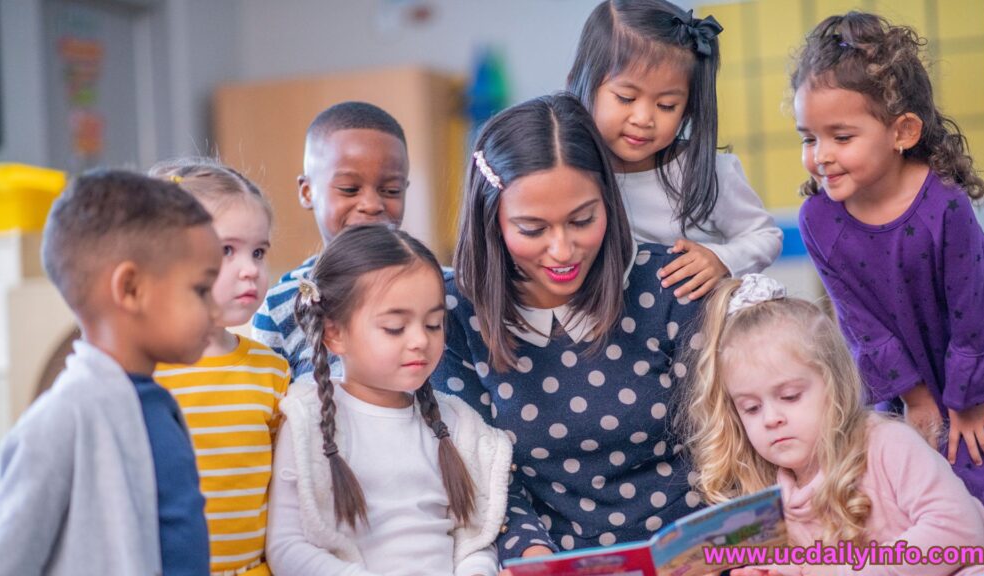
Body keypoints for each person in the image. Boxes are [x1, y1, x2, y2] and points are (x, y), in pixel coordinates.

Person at [431, 93, 703, 562]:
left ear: (609, 203)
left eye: (582, 220)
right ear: (491, 220)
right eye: (533, 229)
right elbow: (482, 467)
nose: (562, 251)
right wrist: (533, 552)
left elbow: (720, 442)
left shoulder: (669, 283)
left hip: (693, 550)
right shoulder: (451, 312)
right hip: (551, 560)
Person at [793, 11, 984, 525]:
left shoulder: (944, 206)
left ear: (902, 131)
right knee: (907, 481)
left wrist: (970, 398)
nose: (821, 156)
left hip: (973, 362)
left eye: (842, 137)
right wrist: (915, 398)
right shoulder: (819, 221)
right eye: (809, 138)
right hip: (901, 378)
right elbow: (861, 324)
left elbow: (976, 307)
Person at [685, 274, 984, 575]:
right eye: (752, 408)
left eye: (789, 397)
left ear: (835, 388)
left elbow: (960, 533)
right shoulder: (773, 492)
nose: (772, 418)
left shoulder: (887, 443)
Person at [0, 170, 219, 575]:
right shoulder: (62, 418)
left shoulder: (154, 401)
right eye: (201, 290)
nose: (215, 311)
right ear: (131, 289)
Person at [266, 225, 511, 576]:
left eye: (433, 324)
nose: (419, 341)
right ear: (334, 333)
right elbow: (287, 547)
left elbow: (473, 537)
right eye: (395, 327)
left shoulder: (456, 423)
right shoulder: (309, 420)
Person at [566, 0, 781, 301]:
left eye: (667, 105)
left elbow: (766, 236)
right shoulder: (570, 175)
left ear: (688, 109)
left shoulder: (707, 172)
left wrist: (721, 258)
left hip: (705, 332)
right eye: (626, 98)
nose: (643, 119)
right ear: (579, 83)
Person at [150, 158, 290, 576]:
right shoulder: (144, 371)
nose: (251, 270)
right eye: (227, 250)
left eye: (259, 252)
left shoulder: (272, 372)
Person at [252, 101, 410, 382]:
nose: (372, 204)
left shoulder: (443, 290)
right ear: (307, 191)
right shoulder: (281, 306)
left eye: (391, 190)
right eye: (350, 189)